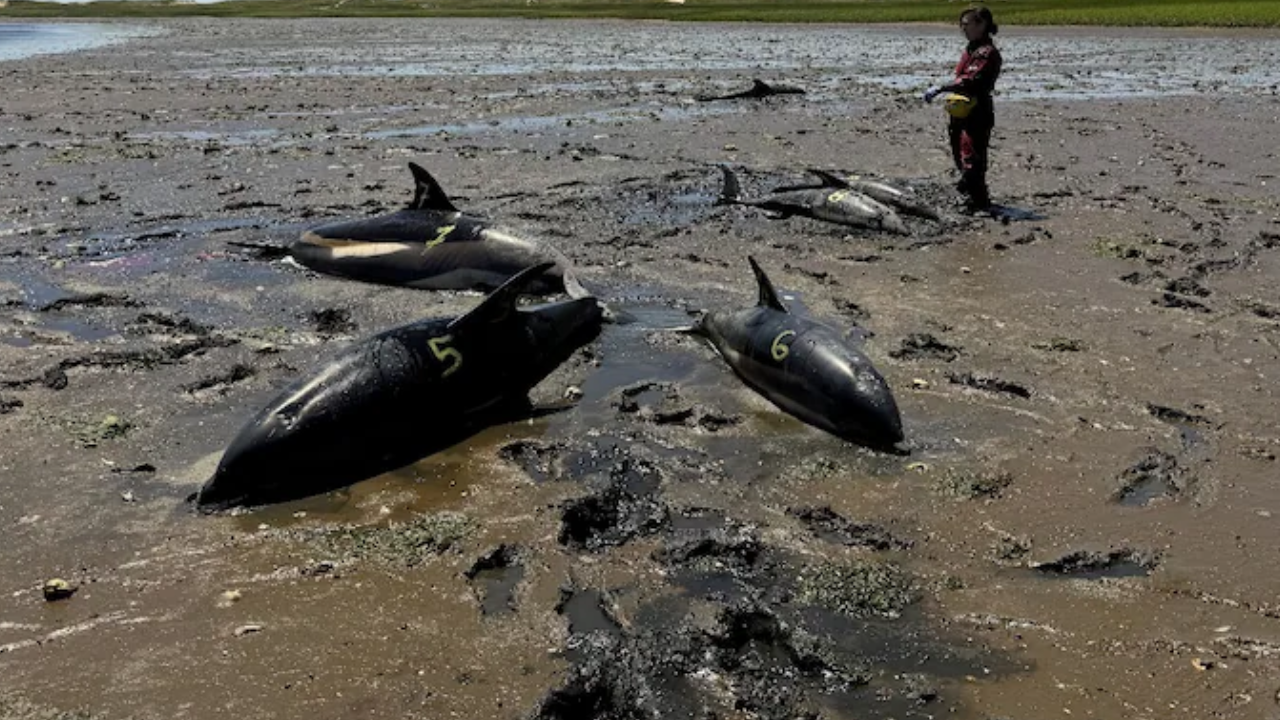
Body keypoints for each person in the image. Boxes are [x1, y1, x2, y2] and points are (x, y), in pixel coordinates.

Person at [923, 5, 1003, 212]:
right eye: (961, 25)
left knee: (972, 157)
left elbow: (970, 81)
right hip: (961, 111)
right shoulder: (971, 49)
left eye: (967, 25)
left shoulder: (987, 53)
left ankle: (978, 202)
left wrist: (941, 87)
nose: (963, 29)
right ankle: (971, 196)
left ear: (981, 24)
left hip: (977, 112)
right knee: (960, 154)